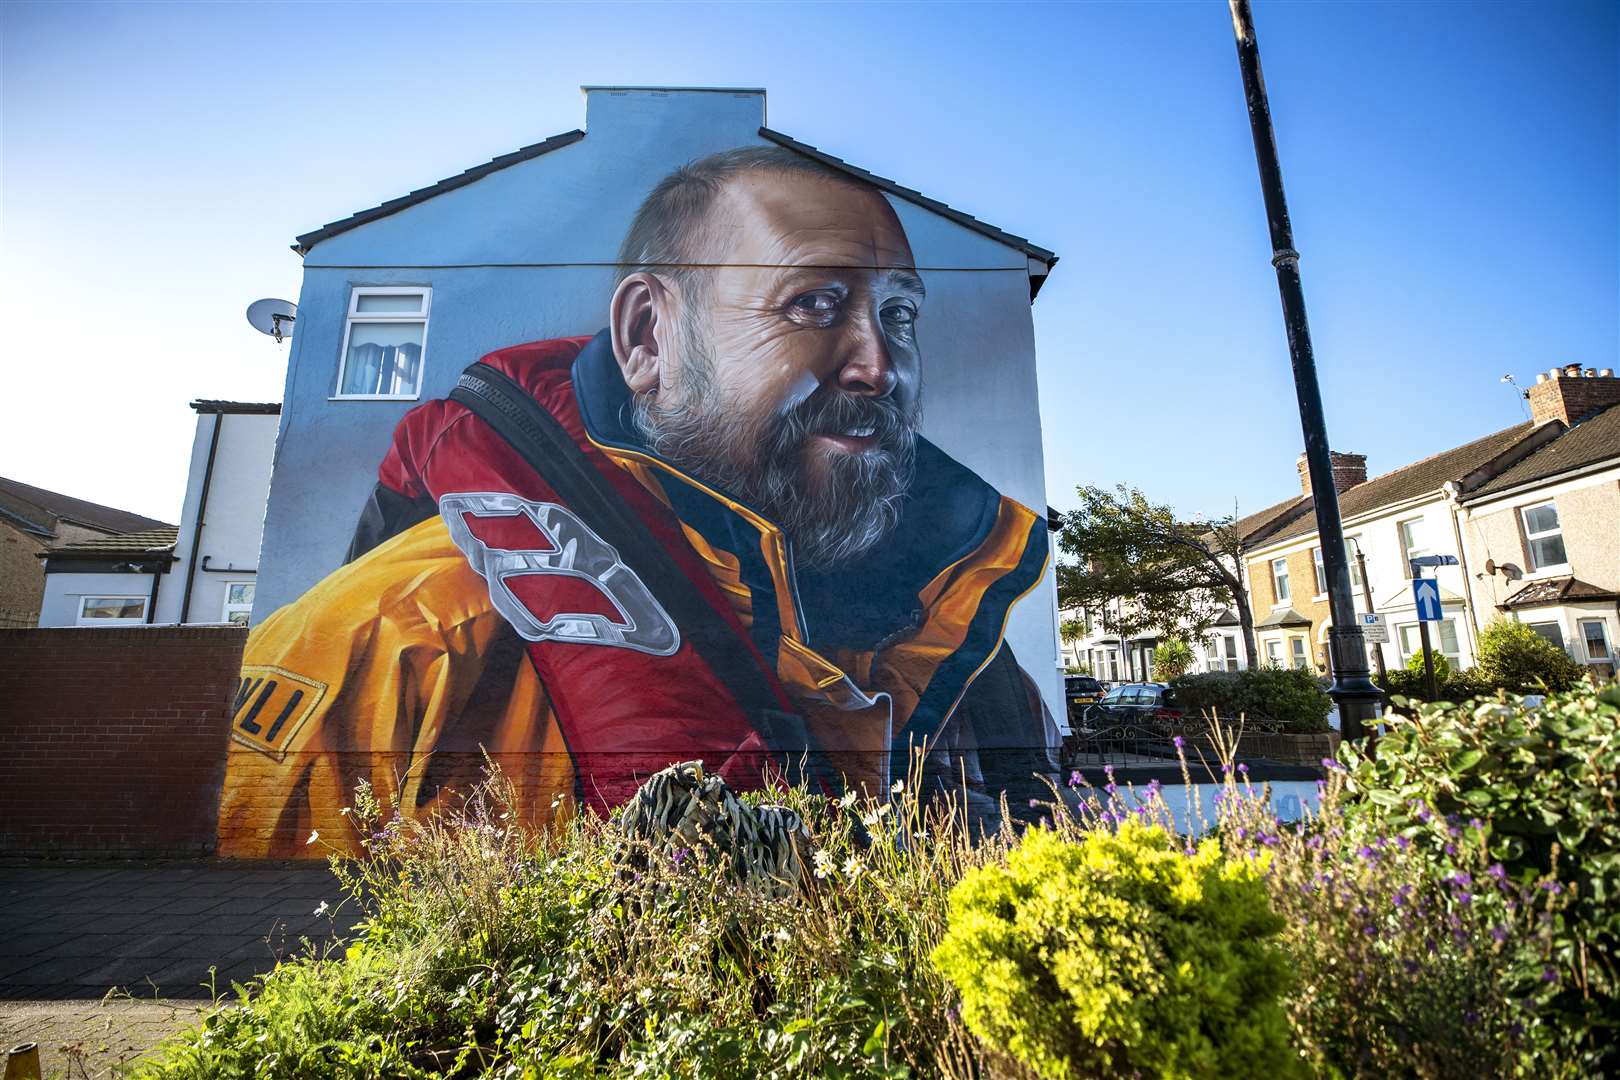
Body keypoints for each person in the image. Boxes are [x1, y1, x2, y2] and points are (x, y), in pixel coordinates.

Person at [218, 147, 1056, 857]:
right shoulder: (396, 643)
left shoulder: (971, 649)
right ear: (647, 338)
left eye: (900, 314)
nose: (880, 364)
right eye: (815, 303)